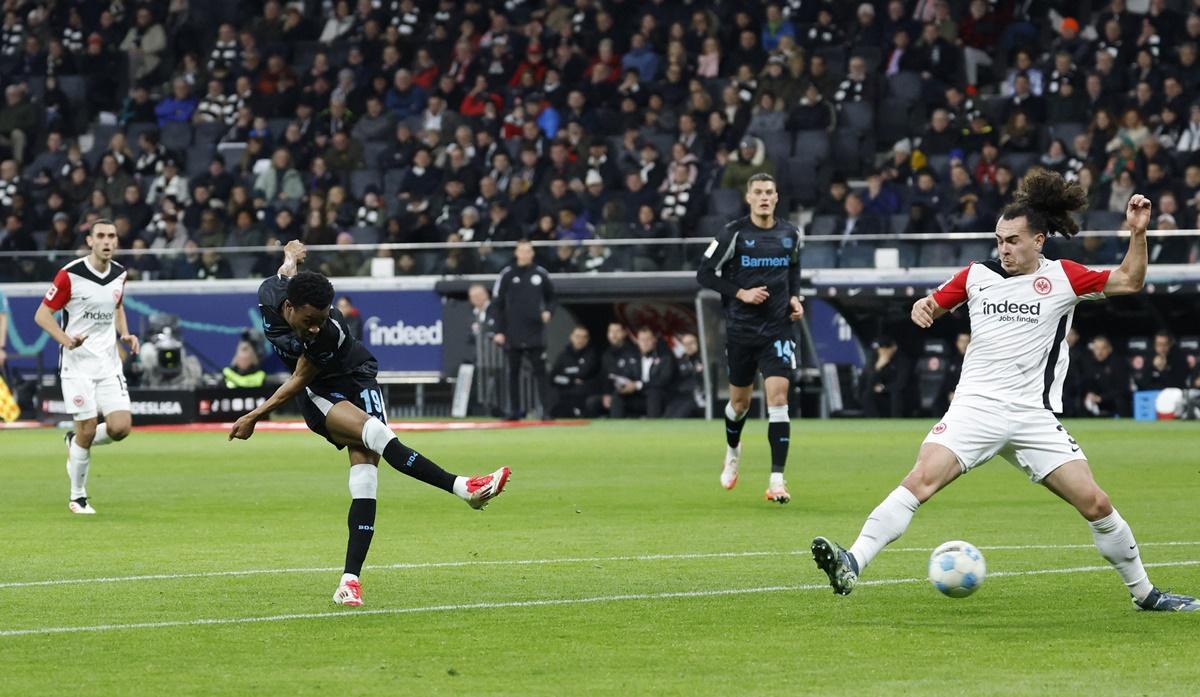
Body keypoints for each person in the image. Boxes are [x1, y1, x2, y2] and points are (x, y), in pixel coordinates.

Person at [812, 170, 1199, 612]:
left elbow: (1130, 280)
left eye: (1013, 240)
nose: (1004, 249)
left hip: (1033, 415)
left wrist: (1137, 233)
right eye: (999, 240)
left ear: (1039, 240)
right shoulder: (976, 275)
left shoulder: (1065, 279)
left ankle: (1146, 594)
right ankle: (852, 562)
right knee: (919, 479)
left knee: (1096, 503)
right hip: (975, 407)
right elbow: (933, 303)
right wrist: (923, 306)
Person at [229, 241, 510, 606]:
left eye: (322, 318)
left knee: (366, 477)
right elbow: (285, 277)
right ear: (288, 307)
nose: (315, 327)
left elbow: (296, 378)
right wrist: (291, 256)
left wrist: (253, 417)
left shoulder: (327, 334)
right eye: (309, 320)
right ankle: (464, 488)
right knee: (377, 435)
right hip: (319, 392)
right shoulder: (271, 294)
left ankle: (349, 581)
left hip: (355, 377)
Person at [696, 173, 803, 503]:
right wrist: (740, 292)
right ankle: (732, 451)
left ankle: (777, 481)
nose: (764, 197)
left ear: (776, 196)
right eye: (758, 192)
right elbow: (704, 274)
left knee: (779, 400)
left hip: (778, 330)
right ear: (749, 198)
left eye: (769, 192)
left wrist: (795, 297)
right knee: (739, 405)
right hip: (742, 332)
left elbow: (794, 270)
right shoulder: (734, 233)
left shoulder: (791, 234)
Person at [33, 220, 139, 515]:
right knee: (89, 429)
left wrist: (125, 334)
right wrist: (67, 341)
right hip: (77, 365)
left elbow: (117, 305)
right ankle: (77, 497)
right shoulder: (70, 275)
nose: (107, 241)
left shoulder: (119, 274)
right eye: (101, 236)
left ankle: (75, 441)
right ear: (90, 240)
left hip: (108, 364)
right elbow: (42, 315)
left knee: (120, 428)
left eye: (112, 237)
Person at [492, 240, 555, 420]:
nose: (525, 254)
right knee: (513, 372)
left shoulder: (540, 274)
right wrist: (499, 330)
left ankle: (546, 411)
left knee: (541, 372)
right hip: (513, 331)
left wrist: (549, 312)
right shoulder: (507, 274)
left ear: (532, 253)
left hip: (535, 331)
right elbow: (497, 304)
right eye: (522, 251)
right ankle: (515, 411)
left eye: (528, 251)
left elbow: (552, 298)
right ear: (516, 253)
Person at [611, 326, 676, 419]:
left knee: (653, 392)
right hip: (640, 398)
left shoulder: (665, 357)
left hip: (660, 398)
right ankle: (615, 427)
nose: (645, 343)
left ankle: (653, 427)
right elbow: (627, 374)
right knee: (618, 394)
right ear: (637, 341)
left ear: (654, 340)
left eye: (648, 339)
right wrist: (625, 384)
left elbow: (663, 380)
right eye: (642, 340)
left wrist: (638, 385)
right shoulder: (632, 358)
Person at [548, 325, 600, 418]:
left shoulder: (592, 354)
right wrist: (571, 380)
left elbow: (584, 372)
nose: (580, 340)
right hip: (564, 397)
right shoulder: (563, 356)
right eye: (577, 336)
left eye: (583, 337)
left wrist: (565, 375)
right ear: (571, 337)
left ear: (587, 339)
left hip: (583, 397)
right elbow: (553, 378)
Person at [665, 332, 705, 418]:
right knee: (668, 413)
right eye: (685, 344)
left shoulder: (705, 359)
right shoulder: (679, 361)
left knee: (680, 414)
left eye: (691, 343)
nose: (689, 346)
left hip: (698, 396)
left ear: (698, 343)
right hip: (681, 396)